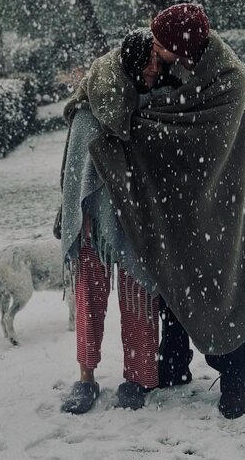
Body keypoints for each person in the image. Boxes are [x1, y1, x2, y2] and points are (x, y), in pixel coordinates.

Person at [59, 3, 245, 419]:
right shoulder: (166, 66)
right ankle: (172, 365)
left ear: (182, 48)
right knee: (173, 281)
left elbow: (193, 134)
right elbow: (124, 76)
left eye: (161, 47)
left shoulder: (228, 80)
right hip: (170, 202)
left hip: (216, 203)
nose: (155, 53)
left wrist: (132, 125)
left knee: (217, 286)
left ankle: (233, 379)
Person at [57, 29, 178, 414]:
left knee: (139, 299)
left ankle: (137, 378)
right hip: (92, 218)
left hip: (136, 221)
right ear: (130, 64)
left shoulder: (157, 102)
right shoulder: (93, 102)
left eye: (158, 62)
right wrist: (70, 206)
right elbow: (74, 167)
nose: (155, 69)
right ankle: (86, 378)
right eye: (149, 62)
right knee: (88, 300)